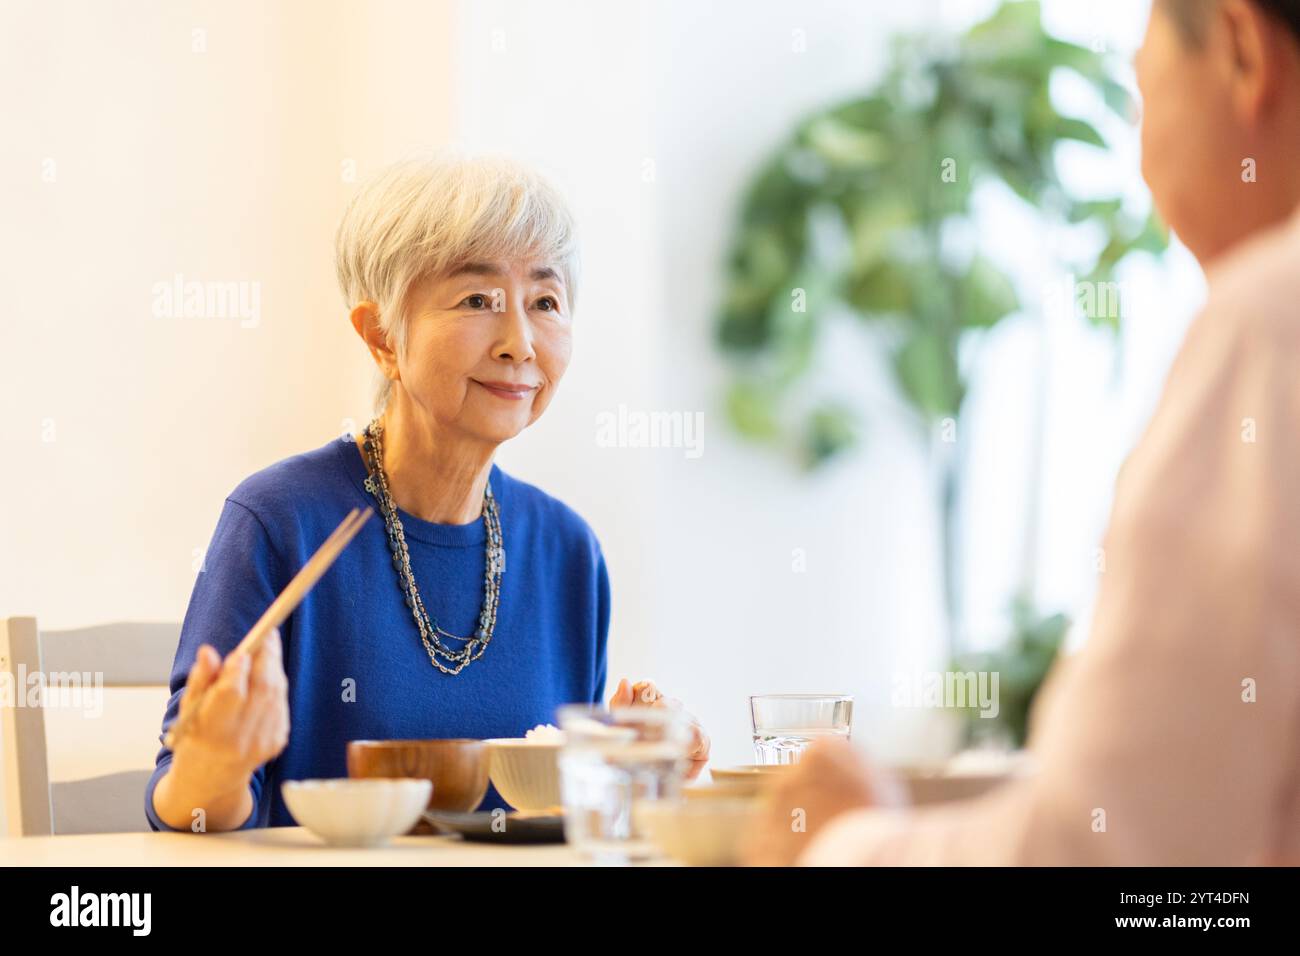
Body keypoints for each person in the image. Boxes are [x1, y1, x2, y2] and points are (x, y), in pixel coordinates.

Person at [742, 0, 1300, 866]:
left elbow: (1119, 861)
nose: (1143, 156)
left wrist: (846, 841)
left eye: (1145, 84)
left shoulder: (1267, 322)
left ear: (1239, 52)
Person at [147, 154, 709, 832]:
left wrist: (631, 770)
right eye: (478, 300)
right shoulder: (279, 520)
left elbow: (560, 823)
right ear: (383, 337)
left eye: (545, 302)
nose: (519, 343)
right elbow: (190, 816)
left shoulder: (567, 550)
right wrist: (215, 767)